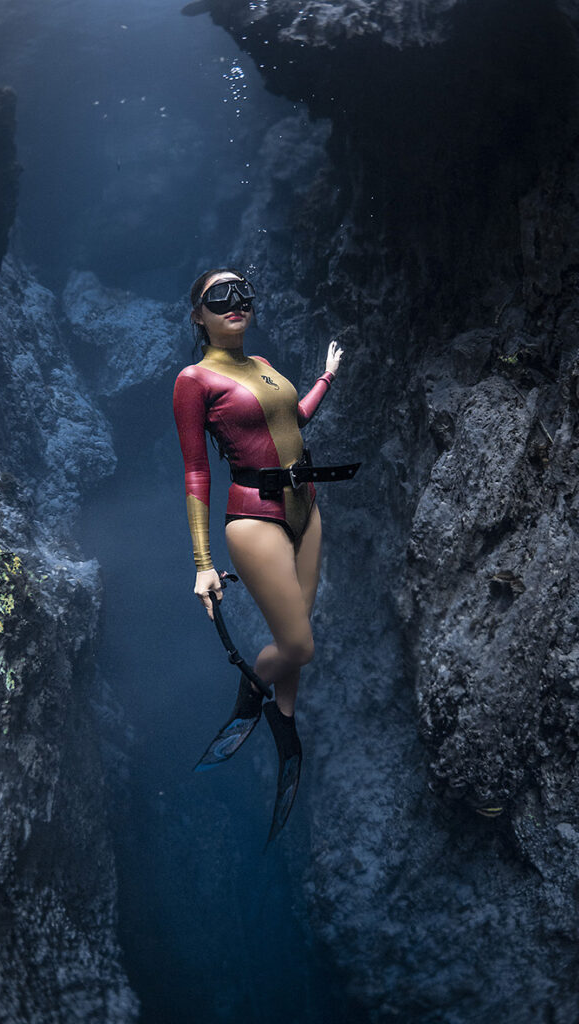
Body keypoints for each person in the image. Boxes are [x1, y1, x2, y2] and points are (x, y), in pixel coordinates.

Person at [173, 267, 348, 842]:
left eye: (242, 291)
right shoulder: (194, 379)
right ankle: (253, 688)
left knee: (296, 637)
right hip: (253, 516)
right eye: (218, 296)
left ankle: (284, 718)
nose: (235, 301)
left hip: (308, 507)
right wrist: (202, 564)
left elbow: (292, 421)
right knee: (298, 644)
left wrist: (324, 378)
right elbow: (197, 470)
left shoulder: (266, 367)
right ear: (197, 315)